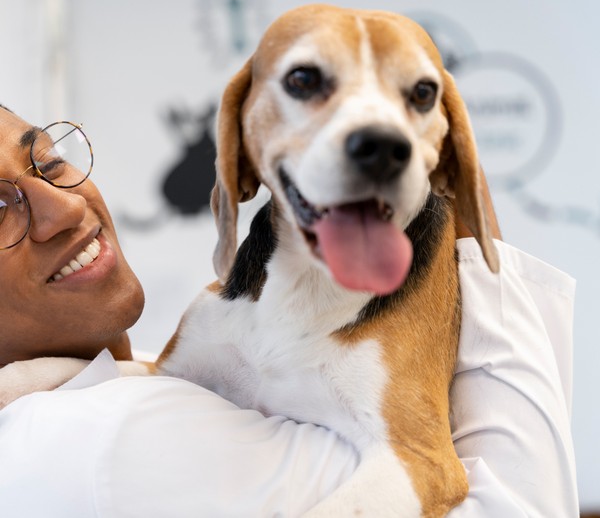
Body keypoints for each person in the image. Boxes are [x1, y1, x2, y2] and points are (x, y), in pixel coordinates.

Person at [0, 105, 579, 517]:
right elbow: (516, 502)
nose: (67, 207)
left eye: (47, 162)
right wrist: (473, 230)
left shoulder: (116, 390)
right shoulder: (108, 436)